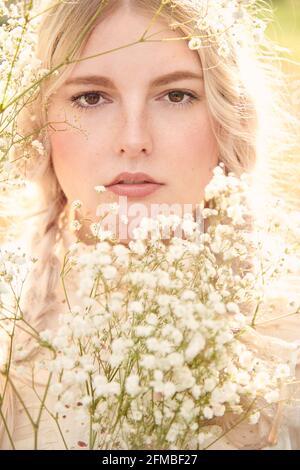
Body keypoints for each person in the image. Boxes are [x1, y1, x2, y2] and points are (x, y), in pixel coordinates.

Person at [0, 0, 299, 450]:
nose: (134, 140)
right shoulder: (10, 349)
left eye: (176, 95)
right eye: (91, 97)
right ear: (40, 124)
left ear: (226, 117)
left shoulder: (288, 347)